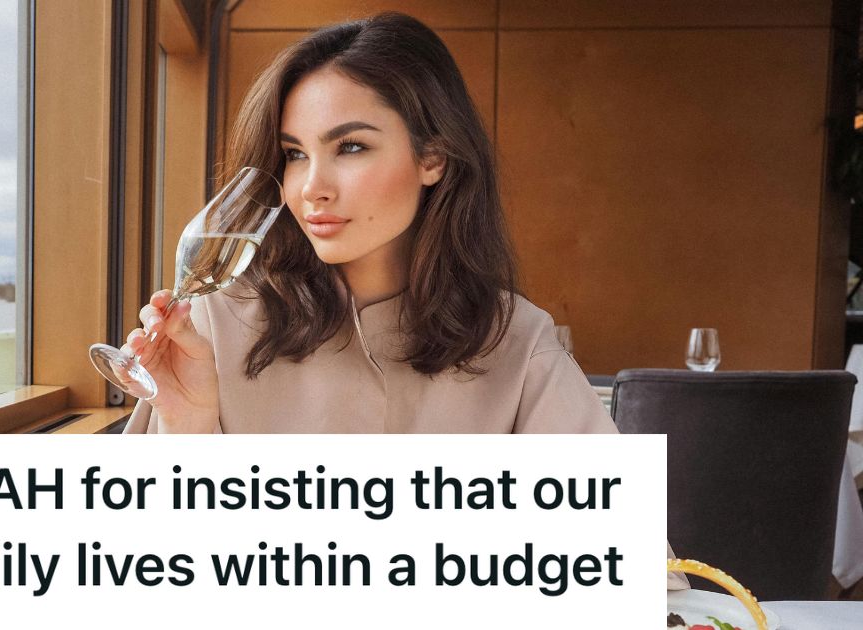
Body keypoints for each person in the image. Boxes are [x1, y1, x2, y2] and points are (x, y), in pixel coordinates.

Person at [118, 12, 686, 588]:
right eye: (293, 154)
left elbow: (641, 579)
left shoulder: (516, 341)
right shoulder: (212, 327)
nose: (313, 185)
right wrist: (188, 428)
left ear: (432, 158)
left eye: (352, 146)